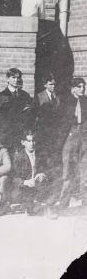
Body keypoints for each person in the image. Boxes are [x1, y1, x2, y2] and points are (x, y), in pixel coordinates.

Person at [12, 132, 57, 218]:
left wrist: (43, 174)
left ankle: (49, 208)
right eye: (29, 141)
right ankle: (30, 205)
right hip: (26, 187)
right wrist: (25, 182)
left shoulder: (42, 154)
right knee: (30, 211)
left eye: (33, 141)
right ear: (23, 142)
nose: (32, 143)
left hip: (40, 183)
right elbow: (14, 177)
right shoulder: (18, 156)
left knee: (51, 182)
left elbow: (51, 169)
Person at [57, 78, 87, 208]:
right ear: (73, 88)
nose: (82, 89)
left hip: (84, 135)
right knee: (68, 169)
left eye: (83, 86)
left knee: (84, 168)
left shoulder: (86, 101)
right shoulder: (65, 101)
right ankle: (64, 201)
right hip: (70, 135)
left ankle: (85, 200)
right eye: (79, 87)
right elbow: (61, 121)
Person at [33, 74, 63, 170]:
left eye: (54, 84)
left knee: (53, 156)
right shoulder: (39, 97)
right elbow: (34, 115)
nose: (53, 86)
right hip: (43, 131)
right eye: (50, 84)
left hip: (54, 132)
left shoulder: (58, 97)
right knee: (43, 155)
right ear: (45, 85)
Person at [0, 68, 33, 151]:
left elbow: (29, 114)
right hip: (8, 136)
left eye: (18, 78)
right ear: (7, 79)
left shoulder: (25, 95)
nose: (16, 80)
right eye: (13, 77)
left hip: (22, 135)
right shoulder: (1, 96)